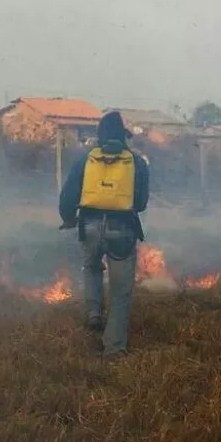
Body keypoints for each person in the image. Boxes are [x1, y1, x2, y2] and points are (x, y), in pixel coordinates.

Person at [59, 111, 151, 357]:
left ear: (99, 135)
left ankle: (94, 314)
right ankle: (113, 348)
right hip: (122, 230)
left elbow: (68, 195)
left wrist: (69, 218)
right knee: (121, 291)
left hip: (88, 226)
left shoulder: (86, 160)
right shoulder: (137, 162)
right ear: (123, 136)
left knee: (91, 268)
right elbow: (140, 203)